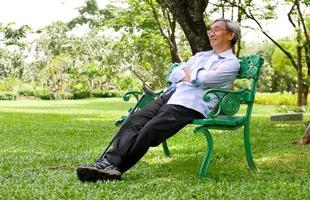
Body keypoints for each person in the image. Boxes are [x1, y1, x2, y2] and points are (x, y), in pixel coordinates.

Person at [76, 18, 241, 182]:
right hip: (170, 95)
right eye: (210, 30)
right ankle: (107, 163)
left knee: (150, 130)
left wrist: (189, 73)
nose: (211, 33)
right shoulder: (201, 56)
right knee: (134, 120)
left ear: (230, 35)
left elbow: (204, 81)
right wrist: (192, 74)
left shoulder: (230, 63)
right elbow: (175, 73)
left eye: (217, 29)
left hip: (192, 103)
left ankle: (114, 168)